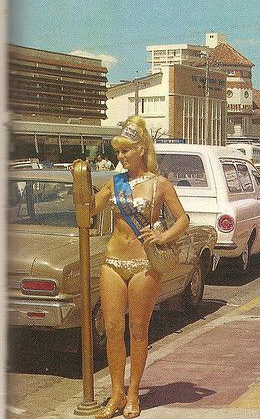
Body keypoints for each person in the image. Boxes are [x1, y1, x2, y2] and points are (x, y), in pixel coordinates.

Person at [85, 116, 191, 419]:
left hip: (144, 262)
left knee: (138, 331)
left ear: (142, 149)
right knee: (113, 329)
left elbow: (182, 219)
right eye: (118, 151)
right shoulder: (115, 182)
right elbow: (91, 208)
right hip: (113, 262)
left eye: (126, 150)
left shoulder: (160, 184)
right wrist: (80, 185)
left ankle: (133, 394)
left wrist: (162, 236)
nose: (121, 156)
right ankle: (116, 394)